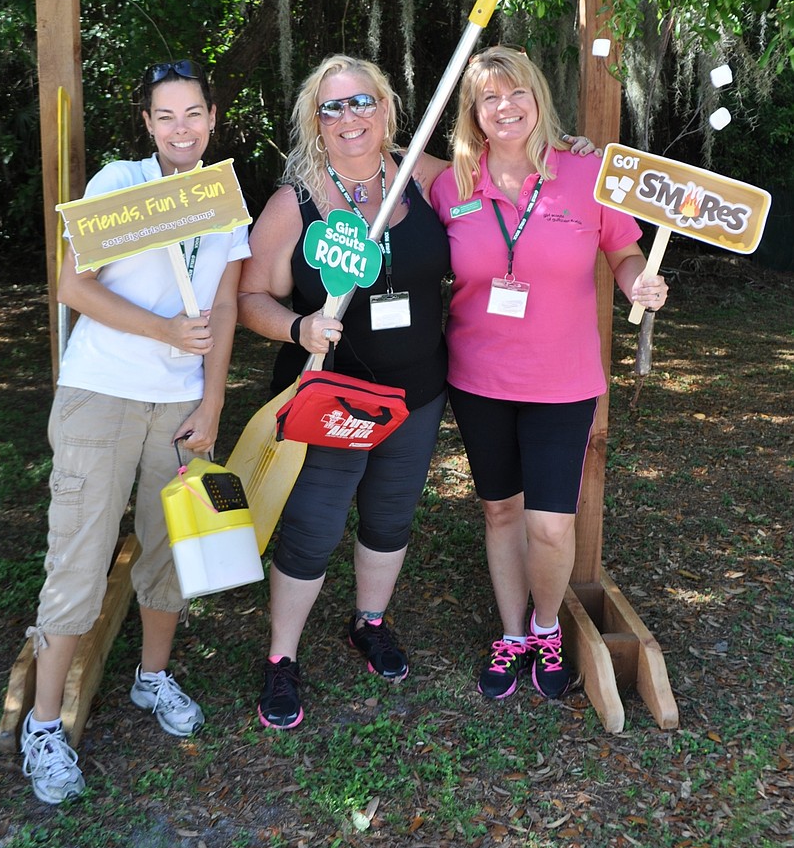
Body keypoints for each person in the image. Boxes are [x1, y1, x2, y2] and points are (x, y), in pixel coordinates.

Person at [20, 59, 250, 805]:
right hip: (102, 396)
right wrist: (160, 330)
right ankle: (45, 726)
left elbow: (222, 310)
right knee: (79, 564)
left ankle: (153, 679)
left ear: (213, 119)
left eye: (193, 114)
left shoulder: (224, 200)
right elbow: (73, 285)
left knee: (168, 555)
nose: (181, 129)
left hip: (178, 410)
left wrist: (212, 401)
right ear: (148, 125)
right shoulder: (120, 185)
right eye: (166, 117)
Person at [429, 46, 668, 702]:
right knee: (500, 511)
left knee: (551, 524)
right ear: (474, 114)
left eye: (517, 94)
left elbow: (623, 248)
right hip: (477, 379)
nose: (504, 108)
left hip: (563, 382)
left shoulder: (587, 171)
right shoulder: (452, 182)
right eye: (489, 99)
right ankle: (511, 635)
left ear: (538, 99)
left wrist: (637, 283)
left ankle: (546, 629)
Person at [237, 55, 454, 728]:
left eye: (361, 102)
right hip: (329, 398)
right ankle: (281, 658)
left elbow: (511, 170)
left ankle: (370, 622)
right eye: (332, 107)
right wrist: (299, 326)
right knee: (313, 526)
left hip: (416, 395)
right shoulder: (294, 200)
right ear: (315, 121)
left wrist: (566, 149)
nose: (349, 117)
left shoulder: (426, 176)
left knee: (390, 518)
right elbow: (249, 296)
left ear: (387, 108)